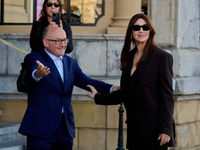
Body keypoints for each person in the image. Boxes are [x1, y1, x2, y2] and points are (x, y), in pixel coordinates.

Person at [18, 26, 119, 150]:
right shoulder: (34, 58)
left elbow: (87, 81)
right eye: (58, 41)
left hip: (65, 129)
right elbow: (31, 75)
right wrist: (38, 74)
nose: (63, 44)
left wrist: (112, 88)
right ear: (46, 42)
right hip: (40, 128)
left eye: (65, 40)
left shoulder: (71, 63)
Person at [87, 13, 176, 150]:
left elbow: (167, 96)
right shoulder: (129, 57)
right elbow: (126, 92)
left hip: (155, 131)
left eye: (145, 27)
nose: (141, 30)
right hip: (135, 128)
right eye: (136, 27)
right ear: (131, 31)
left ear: (150, 31)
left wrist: (166, 128)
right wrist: (98, 97)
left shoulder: (162, 57)